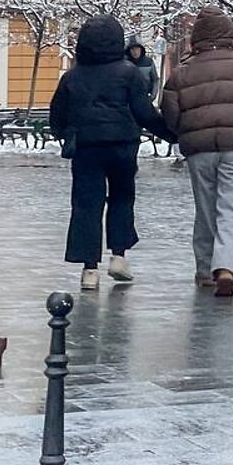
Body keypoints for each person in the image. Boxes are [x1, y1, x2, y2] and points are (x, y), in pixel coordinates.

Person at [160, 8, 233, 298]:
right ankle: (225, 267)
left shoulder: (182, 72)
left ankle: (204, 270)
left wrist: (186, 132)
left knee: (206, 209)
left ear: (196, 39)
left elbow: (170, 111)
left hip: (200, 149)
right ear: (230, 36)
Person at [50, 15, 172, 292]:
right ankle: (119, 255)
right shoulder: (128, 72)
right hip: (121, 146)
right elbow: (144, 112)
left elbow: (56, 115)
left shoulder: (72, 76)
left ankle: (89, 269)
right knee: (121, 199)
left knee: (86, 206)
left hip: (86, 149)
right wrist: (172, 135)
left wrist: (67, 134)